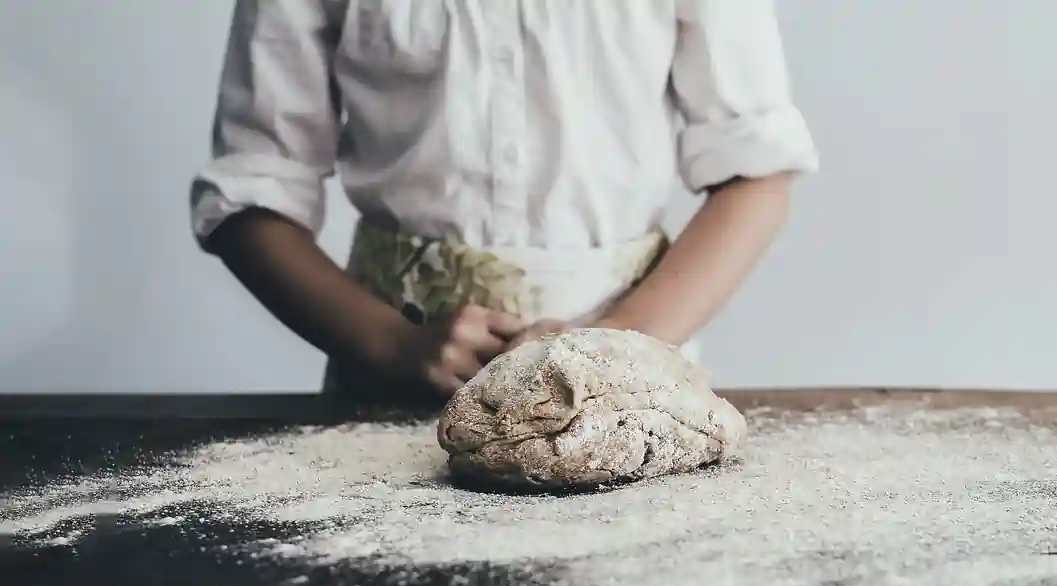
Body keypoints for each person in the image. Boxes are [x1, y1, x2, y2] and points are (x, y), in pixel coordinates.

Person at [191, 0, 818, 400]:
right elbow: (251, 193)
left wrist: (611, 348)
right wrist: (389, 345)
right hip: (389, 387)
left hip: (633, 382)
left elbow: (756, 174)